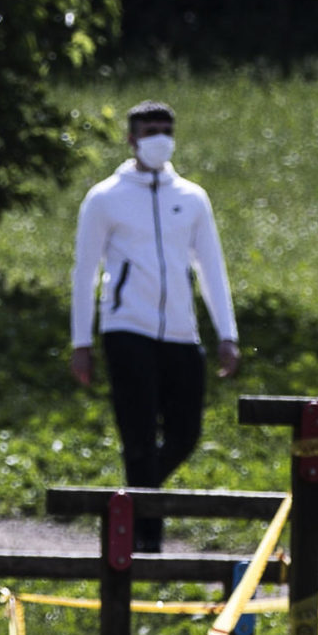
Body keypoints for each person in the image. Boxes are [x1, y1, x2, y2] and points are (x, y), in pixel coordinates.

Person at [69, 100, 239, 552]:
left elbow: (211, 267)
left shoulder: (192, 197)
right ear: (131, 138)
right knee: (138, 435)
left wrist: (227, 333)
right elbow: (84, 272)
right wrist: (80, 341)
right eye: (149, 130)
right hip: (127, 328)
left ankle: (128, 506)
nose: (159, 136)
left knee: (185, 434)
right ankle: (147, 543)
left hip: (181, 332)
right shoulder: (105, 198)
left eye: (166, 128)